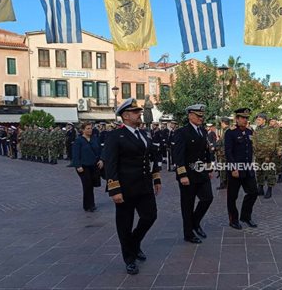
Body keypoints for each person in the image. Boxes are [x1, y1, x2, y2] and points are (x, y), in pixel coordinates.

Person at [104, 98, 162, 275]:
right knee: (124, 224)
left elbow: (152, 157)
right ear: (126, 116)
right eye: (136, 112)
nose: (140, 114)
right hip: (125, 188)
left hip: (144, 186)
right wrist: (114, 189)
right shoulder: (115, 136)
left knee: (150, 216)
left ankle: (134, 243)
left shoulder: (143, 134)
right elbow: (110, 164)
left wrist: (157, 178)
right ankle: (129, 258)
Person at [173, 104, 213, 244]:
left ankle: (195, 222)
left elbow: (206, 151)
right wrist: (182, 175)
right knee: (187, 205)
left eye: (202, 116)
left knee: (207, 198)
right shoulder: (181, 132)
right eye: (198, 116)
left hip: (201, 173)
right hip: (188, 175)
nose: (201, 118)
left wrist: (209, 168)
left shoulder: (202, 131)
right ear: (190, 115)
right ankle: (188, 233)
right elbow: (178, 156)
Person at [225, 108, 258, 229]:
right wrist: (234, 168)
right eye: (242, 118)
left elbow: (250, 151)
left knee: (253, 192)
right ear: (237, 119)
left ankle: (245, 216)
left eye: (246, 118)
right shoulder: (230, 132)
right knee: (232, 196)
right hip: (235, 170)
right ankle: (233, 219)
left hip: (248, 169)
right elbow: (228, 152)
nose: (245, 120)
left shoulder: (250, 132)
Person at [72, 122, 102, 212]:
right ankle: (88, 205)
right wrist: (78, 165)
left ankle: (91, 203)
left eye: (91, 128)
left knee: (92, 185)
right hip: (83, 167)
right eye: (88, 128)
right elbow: (75, 154)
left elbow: (100, 150)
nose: (90, 130)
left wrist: (101, 159)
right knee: (87, 185)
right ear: (83, 130)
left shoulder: (95, 139)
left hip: (93, 166)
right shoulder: (79, 140)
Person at [252, 114, 280, 199]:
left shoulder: (270, 130)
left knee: (269, 173)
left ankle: (269, 189)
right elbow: (254, 142)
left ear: (264, 120)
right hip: (258, 155)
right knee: (259, 172)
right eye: (257, 120)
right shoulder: (257, 130)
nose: (257, 121)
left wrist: (268, 155)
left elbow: (272, 144)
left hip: (268, 156)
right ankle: (260, 189)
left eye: (259, 120)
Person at [215, 117, 230, 190]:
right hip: (224, 154)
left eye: (221, 123)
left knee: (223, 169)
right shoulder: (226, 130)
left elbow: (225, 144)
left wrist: (217, 147)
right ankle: (225, 182)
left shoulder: (227, 131)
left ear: (223, 123)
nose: (220, 124)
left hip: (223, 154)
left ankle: (223, 183)